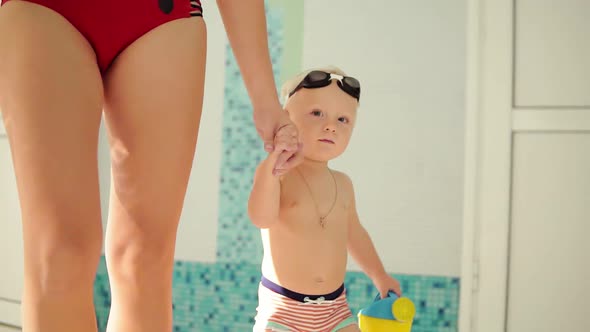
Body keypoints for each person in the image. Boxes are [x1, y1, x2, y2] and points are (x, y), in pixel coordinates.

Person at [0, 0, 300, 331]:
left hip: (160, 15)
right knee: (60, 254)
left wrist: (266, 101)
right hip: (45, 9)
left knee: (143, 261)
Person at [248, 67, 402, 332]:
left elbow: (354, 233)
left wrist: (379, 274)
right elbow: (261, 217)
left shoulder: (342, 184)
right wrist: (271, 168)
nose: (330, 125)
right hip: (285, 310)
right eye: (317, 113)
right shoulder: (279, 175)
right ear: (287, 118)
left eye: (343, 119)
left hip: (335, 310)